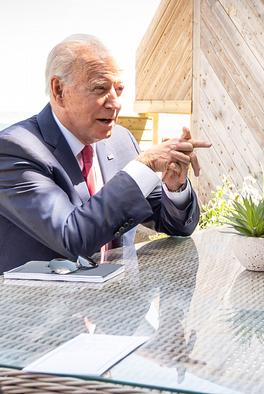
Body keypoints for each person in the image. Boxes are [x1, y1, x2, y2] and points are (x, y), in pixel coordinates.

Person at [0, 34, 211, 273]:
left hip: (117, 306)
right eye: (100, 89)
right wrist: (145, 165)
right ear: (59, 90)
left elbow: (176, 226)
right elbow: (73, 237)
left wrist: (175, 187)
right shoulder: (15, 149)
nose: (116, 103)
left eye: (118, 90)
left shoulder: (121, 141)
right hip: (40, 306)